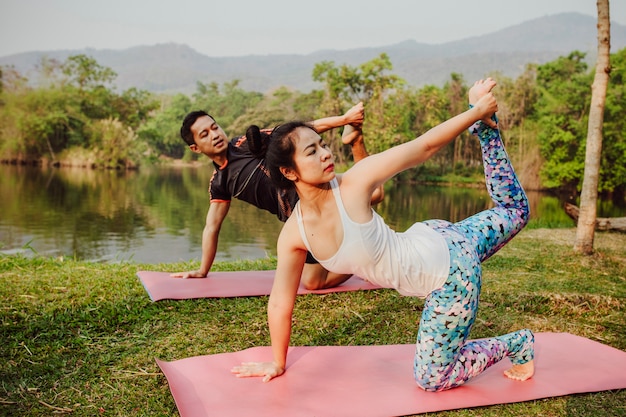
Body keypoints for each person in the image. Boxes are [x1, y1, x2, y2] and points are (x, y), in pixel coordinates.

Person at [230, 78, 535, 391]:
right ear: (289, 172)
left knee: (432, 379)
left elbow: (424, 146)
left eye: (323, 145)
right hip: (439, 238)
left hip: (450, 277)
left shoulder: (354, 183)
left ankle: (516, 343)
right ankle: (486, 128)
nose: (325, 153)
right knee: (515, 212)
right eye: (312, 151)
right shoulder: (294, 234)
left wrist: (475, 111)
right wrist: (277, 362)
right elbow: (281, 302)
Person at [171, 103, 383, 290]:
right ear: (195, 148)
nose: (215, 134)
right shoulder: (219, 183)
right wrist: (202, 270)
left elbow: (300, 134)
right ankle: (365, 259)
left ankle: (356, 142)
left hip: (313, 193)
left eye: (215, 127)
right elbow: (212, 227)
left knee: (374, 194)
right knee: (313, 282)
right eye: (205, 134)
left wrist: (344, 120)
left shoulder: (246, 142)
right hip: (299, 222)